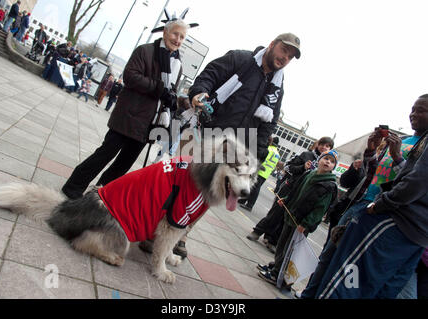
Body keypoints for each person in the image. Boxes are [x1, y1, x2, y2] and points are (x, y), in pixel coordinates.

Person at [301, 94, 428, 299]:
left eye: (420, 110)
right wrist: (370, 151)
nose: (413, 114)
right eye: (412, 109)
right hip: (363, 204)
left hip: (383, 214)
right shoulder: (402, 140)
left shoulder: (421, 147)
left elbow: (414, 181)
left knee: (351, 276)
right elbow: (374, 172)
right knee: (329, 258)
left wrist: (397, 158)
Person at [61, 18, 188, 200]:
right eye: (176, 34)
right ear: (165, 32)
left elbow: (171, 91)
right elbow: (130, 76)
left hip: (148, 125)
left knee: (123, 165)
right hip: (128, 116)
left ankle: (100, 194)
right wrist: (159, 88)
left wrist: (173, 98)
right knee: (105, 155)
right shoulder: (145, 51)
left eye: (182, 37)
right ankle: (73, 187)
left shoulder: (178, 65)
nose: (178, 40)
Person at [188, 33, 301, 163]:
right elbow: (210, 74)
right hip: (203, 135)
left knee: (209, 184)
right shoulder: (240, 58)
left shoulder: (277, 89)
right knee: (179, 179)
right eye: (284, 50)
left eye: (290, 57)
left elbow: (269, 124)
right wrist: (199, 92)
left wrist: (257, 153)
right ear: (272, 44)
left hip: (234, 155)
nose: (285, 58)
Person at [257, 150, 339, 289]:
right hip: (291, 217)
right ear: (318, 160)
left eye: (332, 162)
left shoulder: (329, 185)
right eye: (326, 158)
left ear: (333, 167)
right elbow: (296, 191)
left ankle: (279, 276)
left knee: (290, 251)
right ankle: (276, 267)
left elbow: (320, 209)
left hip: (301, 224)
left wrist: (306, 224)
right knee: (282, 245)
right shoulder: (309, 174)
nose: (328, 162)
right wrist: (286, 199)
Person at [246, 136, 334, 250]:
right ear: (318, 144)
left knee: (287, 219)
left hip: (302, 196)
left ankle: (272, 240)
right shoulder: (306, 155)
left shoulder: (326, 165)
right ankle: (258, 231)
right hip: (289, 188)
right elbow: (288, 167)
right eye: (323, 144)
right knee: (275, 213)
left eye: (328, 146)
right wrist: (302, 167)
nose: (324, 147)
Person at [238, 136, 280, 212]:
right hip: (266, 173)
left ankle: (250, 205)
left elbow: (263, 160)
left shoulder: (269, 150)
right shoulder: (277, 154)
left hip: (260, 171)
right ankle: (243, 200)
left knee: (254, 188)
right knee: (252, 187)